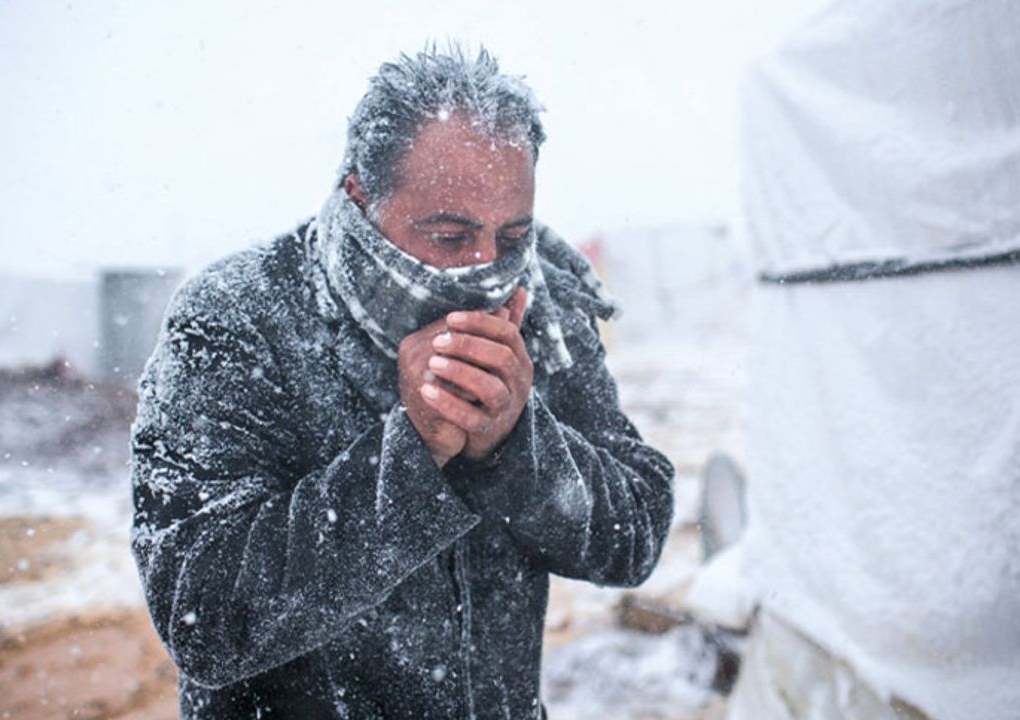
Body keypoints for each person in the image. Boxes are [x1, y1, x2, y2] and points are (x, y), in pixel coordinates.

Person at [130, 46, 674, 719]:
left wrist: (514, 447)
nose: (484, 269)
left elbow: (635, 534)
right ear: (362, 195)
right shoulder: (237, 316)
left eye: (512, 237)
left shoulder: (544, 305)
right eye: (448, 236)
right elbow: (202, 617)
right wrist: (412, 454)